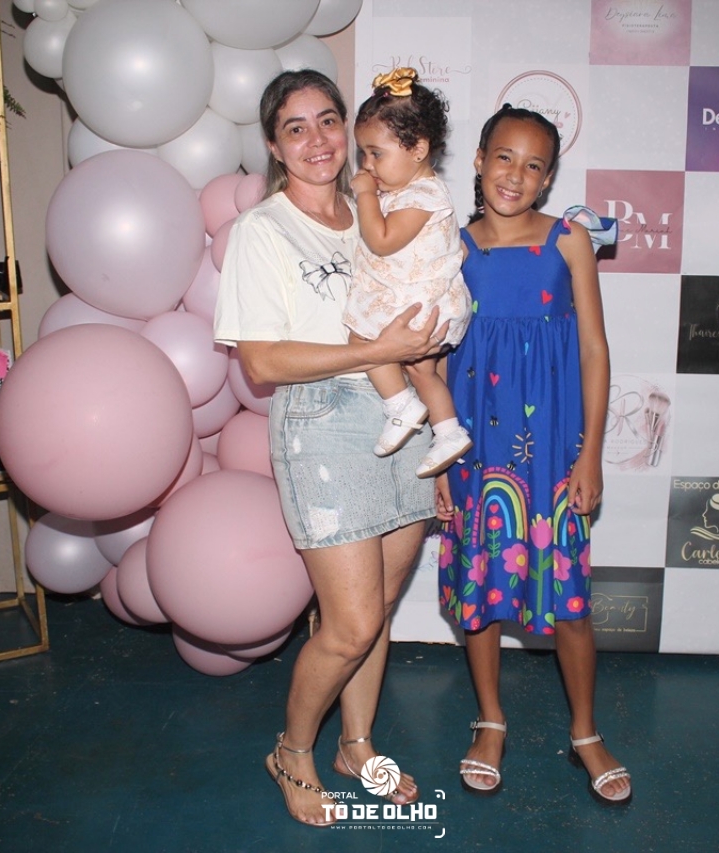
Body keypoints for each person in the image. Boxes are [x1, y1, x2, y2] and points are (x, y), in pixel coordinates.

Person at [214, 69, 447, 828]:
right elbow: (262, 362)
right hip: (323, 422)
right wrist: (374, 351)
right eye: (295, 127)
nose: (316, 139)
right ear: (274, 145)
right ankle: (292, 751)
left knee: (377, 611)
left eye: (327, 121)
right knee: (348, 624)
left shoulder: (383, 210)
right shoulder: (264, 230)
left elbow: (427, 311)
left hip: (407, 416)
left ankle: (356, 744)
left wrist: (440, 427)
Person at [435, 105, 631, 804]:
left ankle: (585, 731)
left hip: (553, 452)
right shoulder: (452, 247)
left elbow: (594, 350)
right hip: (476, 450)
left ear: (548, 179)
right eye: (504, 157)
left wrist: (591, 455)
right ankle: (490, 720)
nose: (515, 175)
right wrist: (442, 459)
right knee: (481, 592)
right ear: (479, 159)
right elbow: (437, 357)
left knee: (570, 600)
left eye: (533, 165)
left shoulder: (568, 240)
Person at [343, 67, 473, 478]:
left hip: (416, 306)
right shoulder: (418, 192)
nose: (367, 165)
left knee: (362, 337)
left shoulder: (420, 195)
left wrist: (365, 195)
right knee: (422, 369)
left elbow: (381, 240)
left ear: (418, 149)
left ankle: (400, 405)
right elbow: (459, 249)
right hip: (432, 304)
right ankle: (449, 432)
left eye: (376, 154)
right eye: (362, 154)